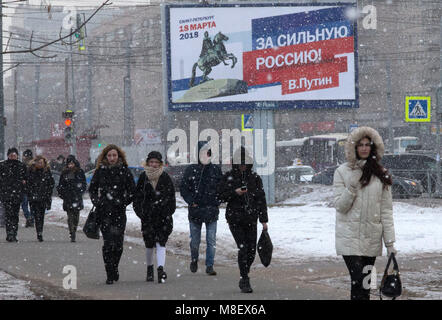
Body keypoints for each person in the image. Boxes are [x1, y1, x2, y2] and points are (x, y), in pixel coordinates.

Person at [333, 126, 396, 300]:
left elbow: (386, 212)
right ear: (354, 147)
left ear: (373, 147)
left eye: (368, 144)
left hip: (371, 239)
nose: (364, 148)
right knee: (358, 280)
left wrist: (390, 244)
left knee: (366, 285)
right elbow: (340, 206)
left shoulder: (380, 175)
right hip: (349, 239)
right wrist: (352, 188)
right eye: (360, 144)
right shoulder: (342, 172)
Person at [217, 146, 268, 293]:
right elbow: (220, 196)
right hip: (235, 219)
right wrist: (235, 192)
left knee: (252, 251)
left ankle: (245, 271)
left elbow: (261, 199)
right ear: (235, 163)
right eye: (240, 163)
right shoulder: (228, 177)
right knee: (243, 248)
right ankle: (244, 278)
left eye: (245, 163)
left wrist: (264, 220)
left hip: (251, 218)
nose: (243, 166)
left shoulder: (255, 178)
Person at [89, 144, 136, 285]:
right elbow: (92, 189)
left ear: (119, 156)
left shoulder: (125, 171)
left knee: (119, 245)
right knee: (108, 243)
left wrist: (123, 202)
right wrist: (97, 201)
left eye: (114, 155)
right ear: (105, 157)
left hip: (119, 212)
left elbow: (132, 191)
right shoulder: (100, 171)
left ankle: (114, 266)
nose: (112, 158)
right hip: (104, 213)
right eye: (109, 155)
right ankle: (109, 271)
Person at [180, 141, 222, 276]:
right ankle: (194, 259)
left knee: (211, 240)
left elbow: (222, 188)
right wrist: (191, 202)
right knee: (195, 242)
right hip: (195, 211)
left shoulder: (216, 170)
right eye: (203, 153)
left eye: (208, 153)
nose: (205, 155)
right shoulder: (190, 170)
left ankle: (210, 265)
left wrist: (217, 201)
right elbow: (183, 189)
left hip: (211, 210)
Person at [133, 151, 176, 283]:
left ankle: (160, 269)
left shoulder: (165, 178)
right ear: (147, 163)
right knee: (149, 244)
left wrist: (167, 213)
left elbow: (171, 198)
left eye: (156, 162)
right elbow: (137, 199)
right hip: (147, 217)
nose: (153, 165)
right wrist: (142, 213)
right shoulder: (143, 178)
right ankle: (150, 268)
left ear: (160, 164)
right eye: (151, 162)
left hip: (163, 217)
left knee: (161, 242)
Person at [57, 155, 87, 243]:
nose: (70, 165)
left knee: (76, 216)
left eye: (72, 163)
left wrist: (80, 191)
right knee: (70, 216)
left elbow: (84, 184)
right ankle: (72, 232)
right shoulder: (64, 173)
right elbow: (60, 185)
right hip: (68, 198)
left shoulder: (80, 172)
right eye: (69, 164)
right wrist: (62, 194)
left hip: (77, 197)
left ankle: (74, 229)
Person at [0, 148, 27, 242]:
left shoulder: (21, 166)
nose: (13, 157)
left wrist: (23, 186)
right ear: (8, 156)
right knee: (8, 214)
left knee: (15, 215)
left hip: (17, 194)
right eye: (11, 155)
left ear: (17, 156)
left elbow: (26, 179)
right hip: (6, 194)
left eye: (14, 155)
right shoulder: (3, 165)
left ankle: (14, 233)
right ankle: (9, 233)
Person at [27, 155, 55, 242]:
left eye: (41, 162)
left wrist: (48, 193)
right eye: (38, 162)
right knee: (36, 215)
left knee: (41, 215)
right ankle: (38, 231)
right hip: (34, 197)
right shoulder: (31, 171)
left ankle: (40, 232)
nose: (40, 164)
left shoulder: (47, 171)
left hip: (43, 197)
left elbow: (51, 184)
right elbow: (28, 183)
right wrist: (30, 193)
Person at [22, 149, 34, 228]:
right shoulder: (34, 164)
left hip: (25, 189)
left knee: (24, 205)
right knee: (31, 206)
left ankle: (29, 218)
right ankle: (31, 219)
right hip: (32, 189)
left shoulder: (23, 165)